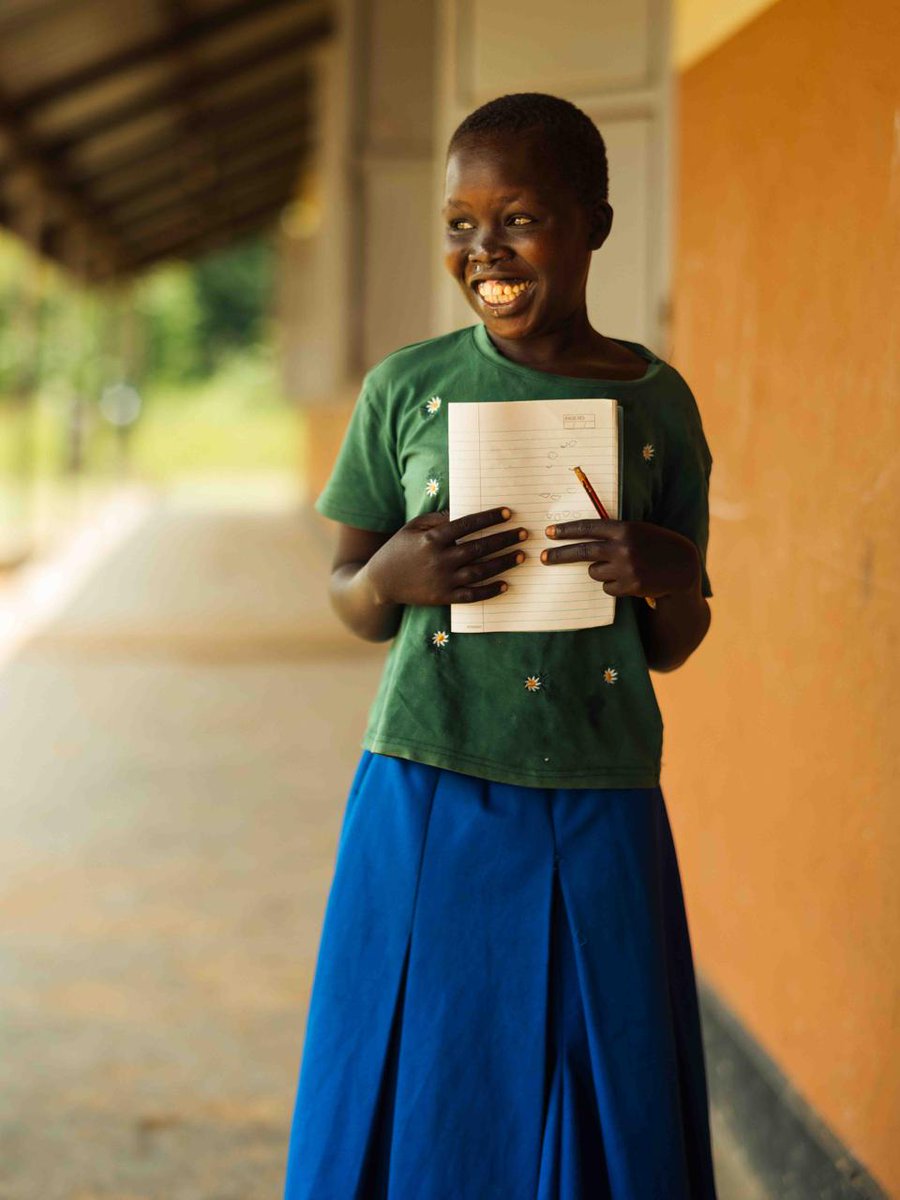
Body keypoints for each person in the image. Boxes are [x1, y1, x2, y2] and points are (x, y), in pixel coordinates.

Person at [283, 92, 718, 1200]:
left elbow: (675, 640)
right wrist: (388, 579)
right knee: (420, 1065)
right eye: (461, 224)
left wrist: (668, 575)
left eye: (519, 219)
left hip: (600, 778)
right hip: (429, 774)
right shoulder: (406, 389)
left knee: (599, 1067)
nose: (485, 250)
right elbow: (349, 595)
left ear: (595, 225)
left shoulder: (658, 404)